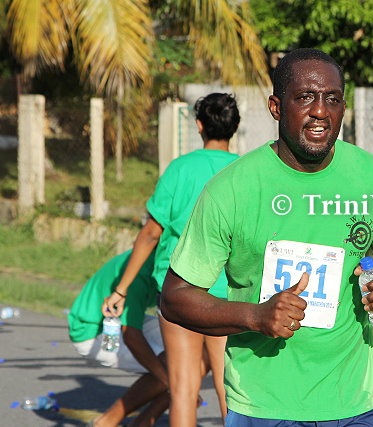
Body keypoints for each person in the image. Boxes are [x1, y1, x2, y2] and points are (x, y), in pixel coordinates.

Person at [160, 48, 373, 425]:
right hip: (264, 407)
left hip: (355, 403)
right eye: (305, 97)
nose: (320, 111)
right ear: (276, 107)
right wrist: (255, 316)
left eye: (332, 99)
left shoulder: (372, 177)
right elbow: (175, 297)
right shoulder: (232, 189)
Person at [102, 93, 241, 425]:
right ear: (234, 127)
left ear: (199, 125)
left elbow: (152, 233)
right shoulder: (244, 171)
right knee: (229, 391)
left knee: (182, 390)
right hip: (227, 292)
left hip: (179, 288)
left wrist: (121, 289)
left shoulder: (180, 169)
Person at [68, 249, 169, 427]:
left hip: (123, 320)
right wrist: (170, 383)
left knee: (195, 350)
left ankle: (141, 423)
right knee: (173, 367)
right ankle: (105, 423)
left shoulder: (160, 256)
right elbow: (131, 336)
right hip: (92, 329)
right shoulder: (140, 273)